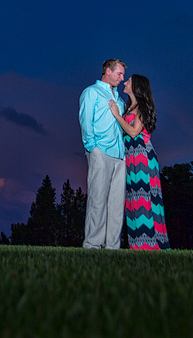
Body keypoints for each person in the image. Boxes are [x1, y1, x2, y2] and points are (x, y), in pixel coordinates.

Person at [109, 74, 170, 249]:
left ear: (136, 86)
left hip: (142, 157)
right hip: (130, 156)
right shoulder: (129, 108)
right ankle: (137, 244)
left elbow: (134, 132)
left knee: (145, 199)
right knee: (133, 199)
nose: (125, 82)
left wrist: (116, 116)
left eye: (128, 81)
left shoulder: (141, 107)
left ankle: (151, 244)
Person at [79, 59, 127, 249]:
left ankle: (113, 246)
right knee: (98, 199)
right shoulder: (91, 92)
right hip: (100, 151)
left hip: (119, 155)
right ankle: (92, 244)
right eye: (119, 74)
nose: (122, 79)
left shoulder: (119, 99)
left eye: (123, 75)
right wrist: (92, 147)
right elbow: (85, 120)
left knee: (116, 204)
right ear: (107, 71)